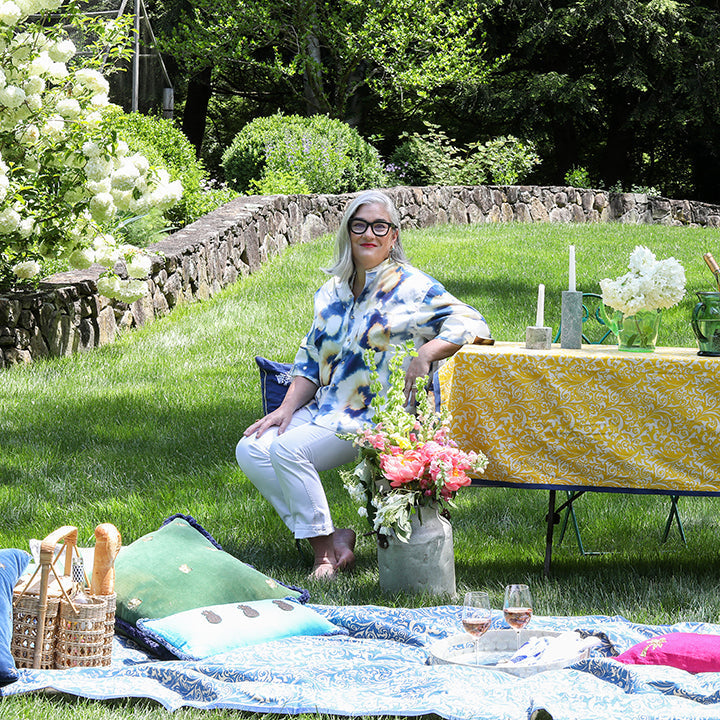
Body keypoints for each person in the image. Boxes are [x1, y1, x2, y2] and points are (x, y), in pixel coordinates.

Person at [236, 190, 490, 580]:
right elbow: (310, 358)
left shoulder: (413, 287)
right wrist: (285, 410)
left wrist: (427, 354)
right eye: (360, 225)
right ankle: (334, 536)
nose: (369, 233)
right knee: (252, 448)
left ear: (393, 236)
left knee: (288, 450)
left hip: (374, 417)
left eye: (379, 226)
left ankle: (323, 556)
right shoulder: (331, 292)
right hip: (326, 408)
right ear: (347, 233)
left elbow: (472, 322)